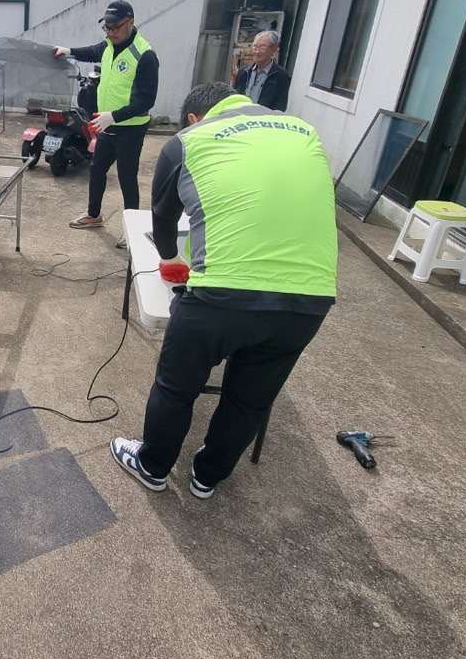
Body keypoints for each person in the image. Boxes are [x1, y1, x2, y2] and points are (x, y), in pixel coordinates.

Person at [109, 81, 337, 498]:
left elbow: (162, 216)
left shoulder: (187, 141)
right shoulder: (304, 131)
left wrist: (169, 257)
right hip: (309, 299)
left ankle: (153, 466)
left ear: (194, 117)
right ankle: (207, 477)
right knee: (248, 399)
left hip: (221, 295)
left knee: (176, 386)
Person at [52, 0, 158, 231]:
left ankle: (132, 229)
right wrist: (68, 51)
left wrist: (115, 116)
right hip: (106, 125)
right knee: (97, 169)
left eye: (115, 27)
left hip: (130, 128)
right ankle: (93, 215)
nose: (110, 32)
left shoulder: (144, 55)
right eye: (106, 28)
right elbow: (91, 51)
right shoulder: (109, 45)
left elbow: (147, 100)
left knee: (127, 178)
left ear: (130, 23)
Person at [233, 31, 291, 112]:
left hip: (262, 120)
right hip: (241, 117)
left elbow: (280, 106)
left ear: (274, 49)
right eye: (255, 47)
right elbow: (234, 96)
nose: (257, 51)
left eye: (262, 48)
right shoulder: (244, 71)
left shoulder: (281, 76)